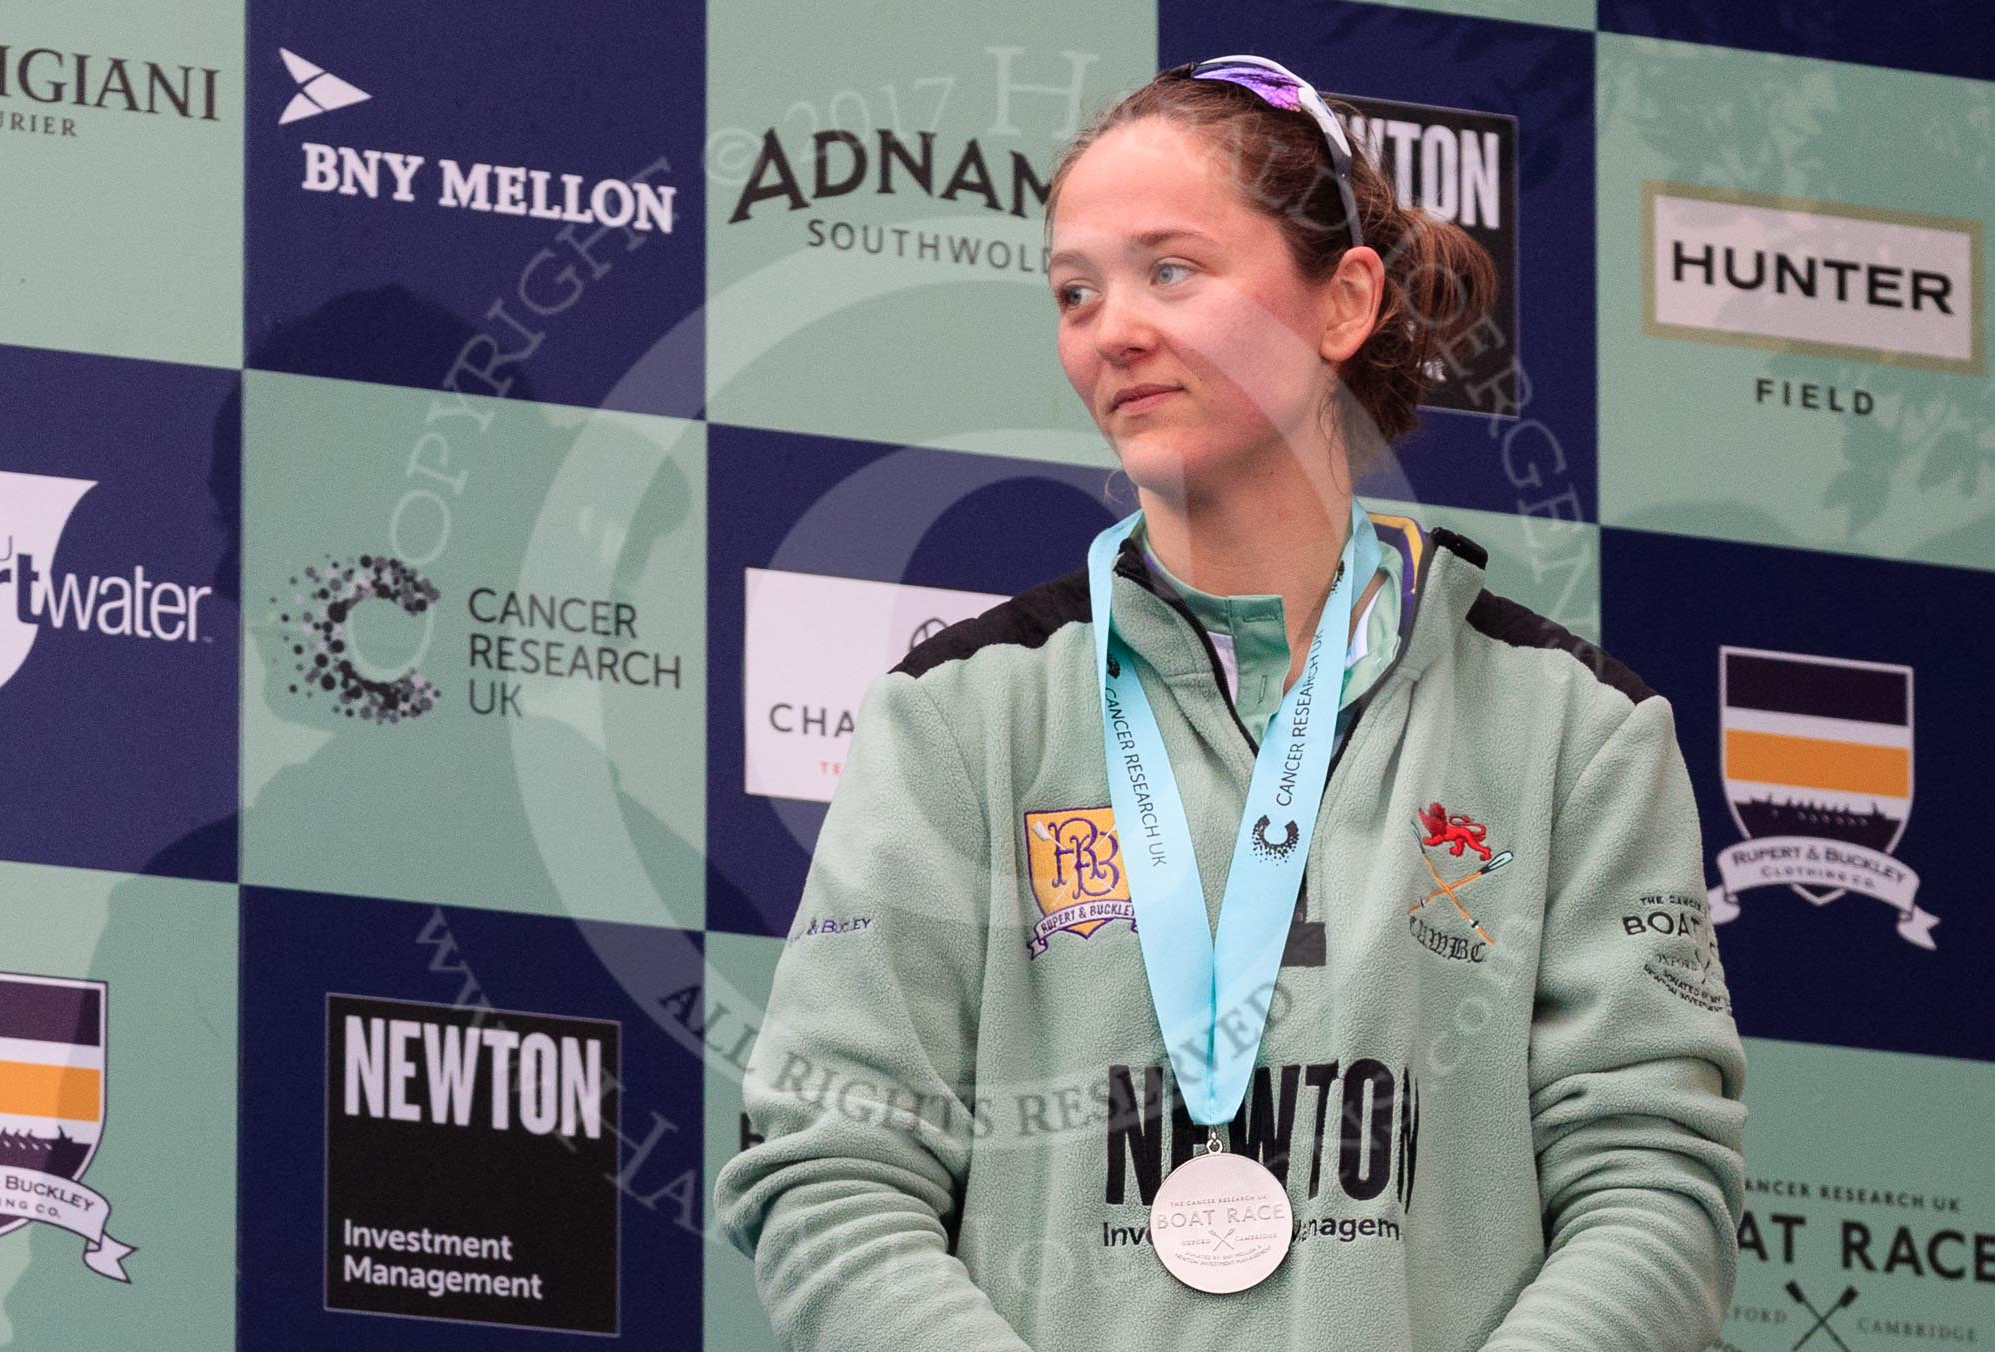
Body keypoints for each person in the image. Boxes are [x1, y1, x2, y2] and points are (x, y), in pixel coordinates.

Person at [713, 55, 1745, 1351]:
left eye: (1172, 270)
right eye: (1076, 291)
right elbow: (830, 1170)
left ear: (1344, 302)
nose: (1113, 330)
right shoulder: (960, 721)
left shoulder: (1577, 735)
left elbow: (1656, 1191)